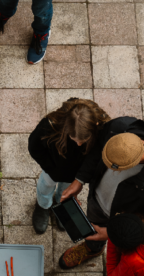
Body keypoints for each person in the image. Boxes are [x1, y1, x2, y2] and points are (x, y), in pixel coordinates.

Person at [56, 117, 144, 276]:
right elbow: (97, 152)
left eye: (112, 167)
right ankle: (93, 248)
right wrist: (80, 179)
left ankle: (115, 271)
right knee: (92, 230)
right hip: (98, 201)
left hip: (127, 222)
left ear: (131, 165)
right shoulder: (119, 127)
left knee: (124, 250)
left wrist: (111, 233)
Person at [27, 98, 110, 234]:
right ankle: (43, 205)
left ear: (95, 125)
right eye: (74, 139)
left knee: (66, 191)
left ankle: (62, 205)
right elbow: (34, 146)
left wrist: (81, 177)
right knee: (45, 185)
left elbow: (97, 157)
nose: (78, 145)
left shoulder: (102, 130)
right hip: (52, 170)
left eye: (83, 141)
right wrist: (50, 168)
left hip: (75, 175)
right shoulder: (49, 125)